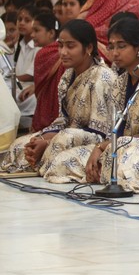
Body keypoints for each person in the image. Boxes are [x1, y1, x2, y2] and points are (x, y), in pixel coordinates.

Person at [0, 19, 116, 175]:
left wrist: (49, 142)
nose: (63, 52)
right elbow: (63, 120)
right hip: (67, 135)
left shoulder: (102, 78)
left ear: (88, 47)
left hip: (97, 142)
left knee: (61, 142)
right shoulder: (68, 75)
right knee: (20, 145)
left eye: (70, 46)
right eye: (60, 45)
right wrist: (42, 138)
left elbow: (101, 132)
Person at [82, 19, 139, 189]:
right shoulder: (120, 82)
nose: (115, 53)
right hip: (123, 144)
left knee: (121, 166)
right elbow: (116, 130)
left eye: (121, 46)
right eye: (111, 47)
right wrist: (101, 148)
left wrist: (103, 147)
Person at [26, 11, 64, 132]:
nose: (32, 35)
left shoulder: (50, 52)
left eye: (36, 31)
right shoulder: (44, 52)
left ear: (51, 33)